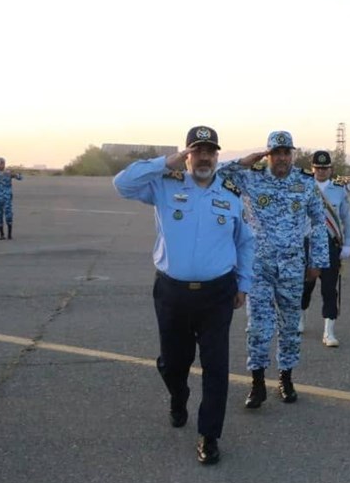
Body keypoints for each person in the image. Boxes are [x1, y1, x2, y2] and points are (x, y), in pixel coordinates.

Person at [113, 125, 255, 465]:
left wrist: (244, 283)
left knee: (216, 366)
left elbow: (245, 241)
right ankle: (178, 396)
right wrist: (165, 161)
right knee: (173, 362)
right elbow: (121, 184)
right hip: (172, 292)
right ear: (187, 153)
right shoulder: (164, 184)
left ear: (217, 155)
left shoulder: (232, 192)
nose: (204, 156)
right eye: (197, 150)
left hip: (218, 292)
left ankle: (209, 435)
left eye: (210, 150)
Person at [218, 131, 329, 409]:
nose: (281, 158)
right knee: (258, 327)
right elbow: (218, 174)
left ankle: (286, 377)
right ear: (267, 154)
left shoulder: (305, 183)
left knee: (290, 325)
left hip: (293, 266)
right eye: (275, 153)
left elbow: (318, 222)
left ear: (292, 154)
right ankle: (257, 382)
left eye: (285, 153)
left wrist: (317, 261)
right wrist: (244, 161)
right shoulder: (251, 177)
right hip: (258, 266)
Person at [301, 150, 350, 347]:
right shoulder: (304, 188)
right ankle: (301, 317)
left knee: (329, 289)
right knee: (306, 286)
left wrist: (348, 243)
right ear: (312, 169)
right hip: (308, 244)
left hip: (330, 245)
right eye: (318, 168)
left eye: (325, 168)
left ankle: (329, 331)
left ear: (331, 169)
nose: (321, 171)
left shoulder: (339, 190)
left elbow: (346, 218)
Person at [0, 157, 22, 240]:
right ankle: (1, 234)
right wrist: (2, 174)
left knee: (9, 215)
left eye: (2, 163)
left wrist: (14, 174)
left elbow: (20, 177)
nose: (1, 165)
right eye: (0, 163)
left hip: (7, 197)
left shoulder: (8, 171)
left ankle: (10, 234)